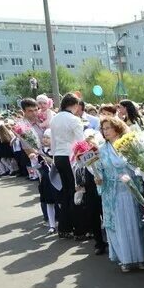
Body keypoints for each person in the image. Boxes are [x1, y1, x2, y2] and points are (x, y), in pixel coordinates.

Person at [94, 116, 144, 271]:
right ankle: (125, 259)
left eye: (108, 128)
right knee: (119, 225)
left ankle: (142, 257)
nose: (105, 131)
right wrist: (98, 179)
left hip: (131, 189)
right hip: (113, 192)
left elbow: (139, 164)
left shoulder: (129, 144)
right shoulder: (101, 149)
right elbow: (99, 171)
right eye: (103, 128)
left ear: (117, 128)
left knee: (135, 222)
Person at [49, 92, 85, 239]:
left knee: (65, 193)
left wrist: (53, 156)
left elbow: (52, 141)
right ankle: (79, 230)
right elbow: (81, 142)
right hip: (71, 157)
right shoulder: (74, 120)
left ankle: (64, 227)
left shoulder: (54, 119)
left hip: (58, 156)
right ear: (75, 105)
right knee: (75, 192)